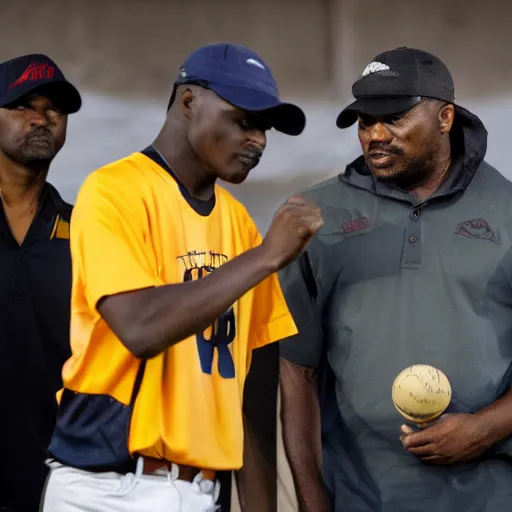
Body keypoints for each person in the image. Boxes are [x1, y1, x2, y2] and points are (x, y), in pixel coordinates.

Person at [40, 42, 322, 512]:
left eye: (266, 128)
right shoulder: (114, 191)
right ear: (189, 102)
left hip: (202, 492)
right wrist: (267, 256)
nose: (259, 140)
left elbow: (251, 404)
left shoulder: (241, 227)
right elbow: (140, 328)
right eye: (245, 120)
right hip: (107, 488)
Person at [279, 46, 512, 512]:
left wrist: (485, 428)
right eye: (365, 121)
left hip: (490, 497)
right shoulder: (313, 216)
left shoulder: (506, 210)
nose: (376, 135)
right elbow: (295, 372)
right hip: (359, 497)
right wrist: (311, 500)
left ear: (444, 117)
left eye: (395, 118)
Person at [0, 54, 81, 512]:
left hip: (62, 481)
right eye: (21, 105)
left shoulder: (86, 231)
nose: (40, 119)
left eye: (53, 110)